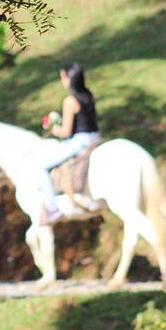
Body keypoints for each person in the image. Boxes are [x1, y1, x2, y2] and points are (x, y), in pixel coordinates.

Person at [35, 62, 101, 225]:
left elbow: (65, 132)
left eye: (62, 77)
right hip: (95, 136)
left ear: (67, 78)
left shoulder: (70, 101)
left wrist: (51, 128)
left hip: (81, 140)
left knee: (41, 166)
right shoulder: (89, 95)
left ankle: (51, 208)